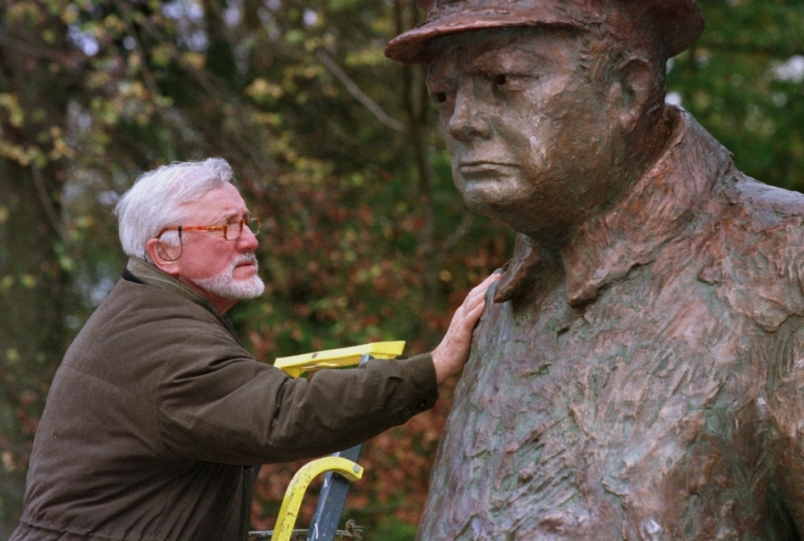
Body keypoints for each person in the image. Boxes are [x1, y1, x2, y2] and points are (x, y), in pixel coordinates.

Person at [385, 0, 804, 540]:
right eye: (445, 95)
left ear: (628, 92)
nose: (462, 121)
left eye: (501, 81)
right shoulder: (504, 303)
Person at [10, 157, 499, 541]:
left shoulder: (155, 313)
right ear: (165, 251)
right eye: (226, 227)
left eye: (248, 222)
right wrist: (434, 366)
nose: (249, 240)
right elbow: (285, 414)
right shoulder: (160, 340)